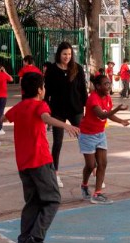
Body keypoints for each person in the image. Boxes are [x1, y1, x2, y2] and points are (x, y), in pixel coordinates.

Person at [3, 72, 80, 243]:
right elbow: (45, 117)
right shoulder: (40, 104)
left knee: (33, 203)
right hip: (40, 161)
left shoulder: (19, 107)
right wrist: (65, 125)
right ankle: (36, 239)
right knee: (53, 200)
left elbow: (6, 118)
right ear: (39, 90)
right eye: (43, 87)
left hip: (23, 164)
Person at [79, 74, 130, 205]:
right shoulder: (92, 99)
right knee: (91, 165)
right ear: (97, 86)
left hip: (100, 134)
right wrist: (117, 109)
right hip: (87, 135)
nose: (109, 86)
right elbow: (102, 114)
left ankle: (97, 194)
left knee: (103, 163)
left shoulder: (107, 98)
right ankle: (84, 185)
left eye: (109, 83)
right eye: (106, 84)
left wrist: (121, 121)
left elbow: (108, 115)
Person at [44, 42, 88, 188]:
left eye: (69, 54)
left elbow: (83, 90)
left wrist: (87, 109)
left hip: (76, 110)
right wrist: (45, 110)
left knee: (85, 140)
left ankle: (92, 169)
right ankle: (55, 173)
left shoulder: (77, 68)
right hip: (57, 111)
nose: (67, 57)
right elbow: (47, 92)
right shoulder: (51, 70)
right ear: (59, 54)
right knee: (57, 143)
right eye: (64, 54)